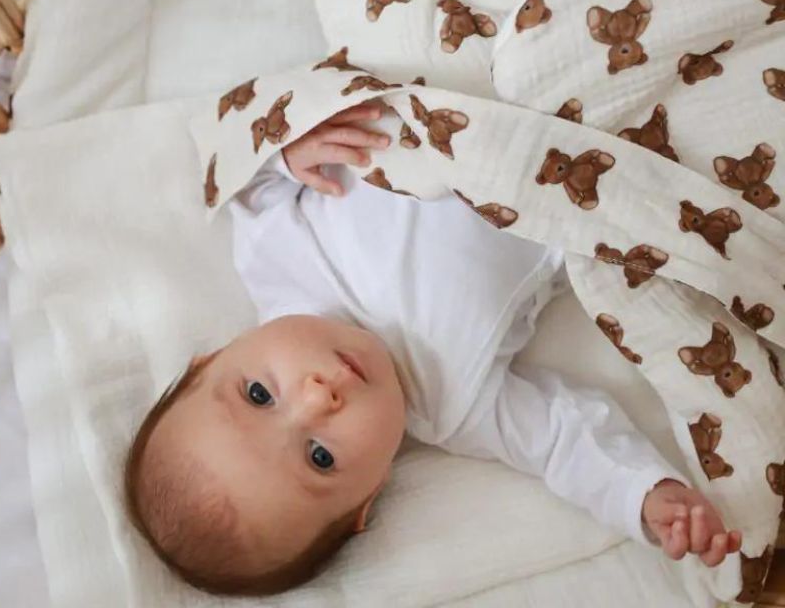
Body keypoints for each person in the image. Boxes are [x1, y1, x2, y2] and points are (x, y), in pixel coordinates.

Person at [124, 99, 743, 597]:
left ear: (213, 357)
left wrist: (287, 148)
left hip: (444, 79)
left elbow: (233, 151)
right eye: (319, 457)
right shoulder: (453, 409)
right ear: (367, 498)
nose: (317, 398)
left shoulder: (270, 256)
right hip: (572, 151)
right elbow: (562, 440)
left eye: (260, 395)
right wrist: (642, 496)